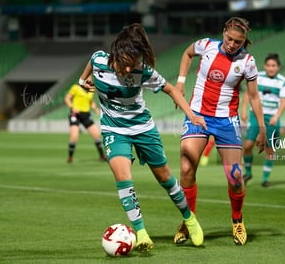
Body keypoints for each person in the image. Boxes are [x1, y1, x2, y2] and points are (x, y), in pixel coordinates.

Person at [79, 23, 206, 252]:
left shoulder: (143, 70)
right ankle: (141, 232)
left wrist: (191, 115)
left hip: (142, 128)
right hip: (113, 130)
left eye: (133, 65)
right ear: (115, 53)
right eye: (125, 64)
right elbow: (91, 62)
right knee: (123, 179)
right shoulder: (99, 60)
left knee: (166, 179)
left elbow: (171, 90)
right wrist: (82, 81)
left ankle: (189, 218)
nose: (128, 70)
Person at [174, 17, 266, 246]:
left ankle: (237, 221)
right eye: (229, 38)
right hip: (197, 115)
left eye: (238, 41)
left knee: (235, 176)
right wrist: (180, 82)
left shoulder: (248, 62)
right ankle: (188, 222)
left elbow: (253, 96)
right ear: (223, 32)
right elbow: (187, 54)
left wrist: (262, 127)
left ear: (244, 41)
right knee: (186, 168)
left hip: (227, 120)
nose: (233, 44)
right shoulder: (205, 45)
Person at [241, 53, 285, 188]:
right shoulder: (258, 76)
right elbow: (248, 93)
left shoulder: (283, 81)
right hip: (256, 116)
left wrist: (276, 116)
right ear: (264, 66)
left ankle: (265, 179)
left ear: (278, 67)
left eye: (273, 65)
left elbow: (283, 101)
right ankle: (248, 172)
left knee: (269, 149)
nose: (270, 68)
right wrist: (243, 110)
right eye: (268, 65)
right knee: (248, 145)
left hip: (272, 119)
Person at [64, 80, 106, 163]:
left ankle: (102, 156)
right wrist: (72, 107)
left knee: (96, 135)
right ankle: (70, 157)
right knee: (74, 136)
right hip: (75, 114)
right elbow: (67, 99)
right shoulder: (75, 87)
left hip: (86, 114)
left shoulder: (91, 89)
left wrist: (95, 108)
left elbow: (90, 101)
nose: (89, 79)